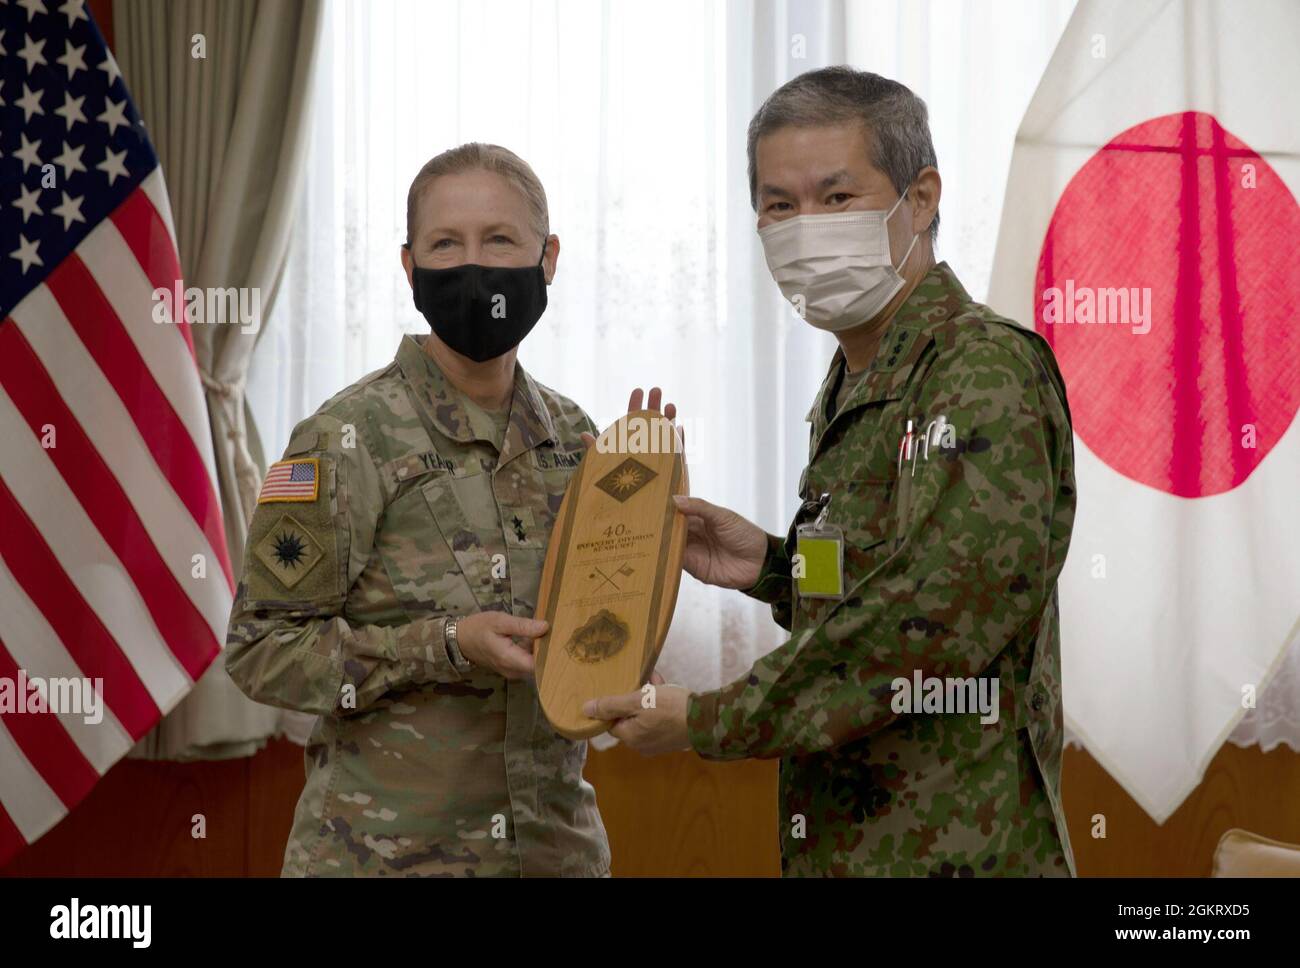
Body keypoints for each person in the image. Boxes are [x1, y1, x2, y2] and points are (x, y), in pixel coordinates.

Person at [584, 67, 1077, 877]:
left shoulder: (978, 367)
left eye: (836, 197)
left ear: (918, 200)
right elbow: (874, 584)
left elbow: (940, 613)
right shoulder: (856, 375)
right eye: (779, 205)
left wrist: (712, 719)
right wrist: (772, 569)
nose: (803, 226)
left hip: (960, 850)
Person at [226, 142, 669, 876]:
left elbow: (598, 636)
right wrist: (446, 643)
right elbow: (260, 652)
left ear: (548, 257)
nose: (475, 267)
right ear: (409, 268)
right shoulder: (344, 438)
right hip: (385, 859)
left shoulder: (575, 437)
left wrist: (651, 535)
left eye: (499, 240)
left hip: (553, 852)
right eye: (445, 244)